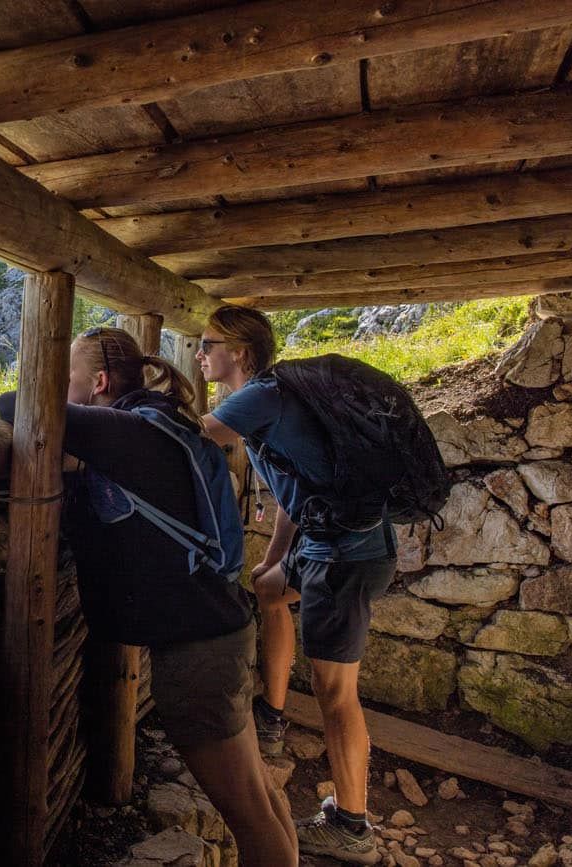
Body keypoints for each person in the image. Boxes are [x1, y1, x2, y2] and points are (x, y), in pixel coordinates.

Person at [0, 326, 297, 867]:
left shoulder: (130, 434)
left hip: (199, 649)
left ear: (102, 382)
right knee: (257, 792)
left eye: (71, 379)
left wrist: (55, 398)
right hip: (219, 628)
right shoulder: (164, 422)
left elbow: (15, 404)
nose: (63, 388)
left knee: (247, 811)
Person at [198, 306, 396, 865]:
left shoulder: (258, 396)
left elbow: (191, 437)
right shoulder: (275, 398)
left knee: (336, 694)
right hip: (323, 548)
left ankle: (353, 827)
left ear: (237, 352)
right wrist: (275, 560)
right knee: (267, 590)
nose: (198, 354)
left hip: (345, 557)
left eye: (207, 344)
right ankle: (274, 716)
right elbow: (293, 492)